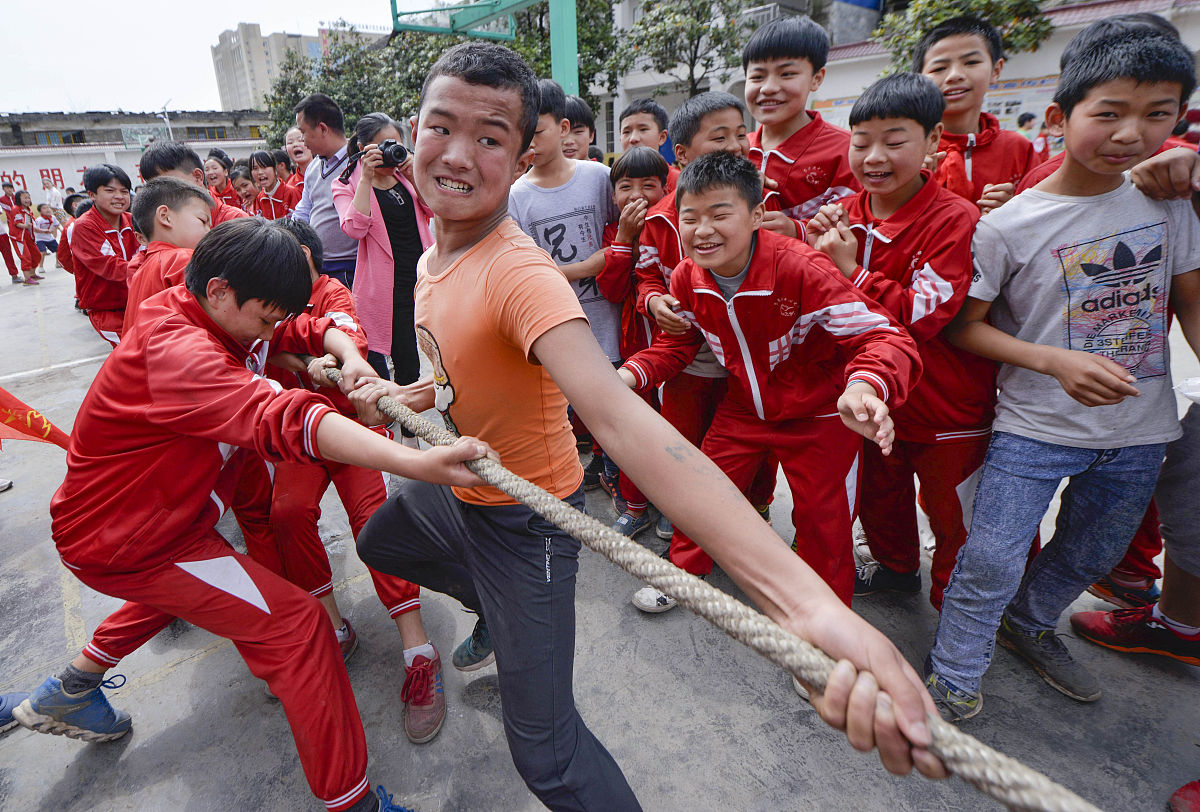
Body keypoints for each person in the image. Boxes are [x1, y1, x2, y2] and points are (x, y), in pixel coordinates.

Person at [352, 44, 946, 810]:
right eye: (442, 127)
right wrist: (408, 395)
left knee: (548, 758)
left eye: (492, 137)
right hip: (461, 490)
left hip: (525, 522)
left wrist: (807, 608)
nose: (460, 155)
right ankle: (501, 617)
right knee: (381, 540)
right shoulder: (438, 254)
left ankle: (511, 616)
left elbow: (628, 426)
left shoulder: (517, 272)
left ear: (525, 150)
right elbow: (455, 370)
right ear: (413, 131)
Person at [13, 218, 488, 812]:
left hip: (165, 523)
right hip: (130, 540)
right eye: (265, 318)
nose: (272, 330)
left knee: (195, 589)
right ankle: (354, 802)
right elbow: (281, 416)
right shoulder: (174, 348)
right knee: (300, 628)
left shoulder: (226, 315)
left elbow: (305, 325)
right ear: (217, 290)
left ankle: (71, 689)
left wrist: (348, 356)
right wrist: (420, 463)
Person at [923, 29, 1200, 721]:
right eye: (1108, 112)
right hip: (1035, 424)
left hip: (1140, 426)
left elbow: (1191, 301)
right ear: (1059, 117)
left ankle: (1032, 618)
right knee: (989, 557)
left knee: (1096, 552)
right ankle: (954, 670)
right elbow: (965, 324)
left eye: (1157, 113)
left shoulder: (1171, 203)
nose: (1131, 134)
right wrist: (1054, 360)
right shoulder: (1010, 226)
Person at [622, 150, 921, 610]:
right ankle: (682, 576)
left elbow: (882, 335)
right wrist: (627, 377)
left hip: (820, 413)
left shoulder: (801, 267)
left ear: (757, 214)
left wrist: (865, 385)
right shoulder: (686, 277)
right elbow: (677, 344)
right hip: (744, 407)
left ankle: (823, 628)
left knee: (825, 523)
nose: (703, 230)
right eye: (690, 217)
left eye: (720, 214)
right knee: (703, 490)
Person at [804, 73, 993, 612]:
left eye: (894, 140)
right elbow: (825, 302)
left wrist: (849, 270)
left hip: (947, 407)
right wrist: (817, 248)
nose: (874, 156)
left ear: (933, 140)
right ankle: (895, 570)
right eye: (861, 142)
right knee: (880, 498)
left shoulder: (955, 218)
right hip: (875, 396)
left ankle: (961, 626)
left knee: (956, 517)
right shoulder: (848, 214)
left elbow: (926, 314)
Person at [266, 217, 447, 745]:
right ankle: (334, 626)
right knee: (286, 514)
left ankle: (418, 649)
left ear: (303, 256)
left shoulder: (330, 292)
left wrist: (328, 359)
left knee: (375, 526)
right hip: (298, 434)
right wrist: (284, 357)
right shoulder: (261, 302)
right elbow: (260, 348)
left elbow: (348, 335)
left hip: (350, 430)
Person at [632, 91, 777, 597]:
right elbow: (646, 278)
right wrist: (653, 304)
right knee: (688, 448)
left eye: (742, 135)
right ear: (683, 154)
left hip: (753, 366)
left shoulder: (761, 203)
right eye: (721, 138)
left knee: (754, 454)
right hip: (688, 361)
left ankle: (752, 516)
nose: (738, 146)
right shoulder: (658, 220)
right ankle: (690, 530)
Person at [507, 79, 621, 493]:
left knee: (615, 407)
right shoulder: (517, 197)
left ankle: (623, 485)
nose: (529, 144)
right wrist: (582, 268)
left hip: (607, 319)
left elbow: (623, 241)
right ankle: (586, 476)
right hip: (560, 330)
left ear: (564, 127)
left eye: (536, 132)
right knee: (570, 409)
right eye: (521, 135)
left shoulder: (598, 178)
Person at [589, 146, 671, 535]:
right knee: (634, 427)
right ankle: (635, 505)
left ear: (667, 187)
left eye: (649, 185)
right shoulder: (612, 233)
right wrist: (624, 237)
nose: (637, 195)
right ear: (613, 194)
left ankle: (673, 505)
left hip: (675, 347)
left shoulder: (677, 226)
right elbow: (612, 288)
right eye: (626, 186)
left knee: (674, 427)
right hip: (633, 347)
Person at [332, 112, 433, 386]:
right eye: (385, 146)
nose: (392, 153)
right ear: (365, 150)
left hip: (425, 278)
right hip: (389, 289)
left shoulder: (403, 176)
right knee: (406, 362)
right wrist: (365, 178)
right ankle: (408, 425)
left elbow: (431, 208)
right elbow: (354, 228)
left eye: (396, 145)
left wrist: (414, 175)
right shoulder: (346, 184)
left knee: (442, 350)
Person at [743, 16, 859, 235]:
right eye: (757, 76)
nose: (768, 88)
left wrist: (799, 231)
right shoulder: (737, 150)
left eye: (786, 74)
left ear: (816, 78)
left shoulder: (846, 150)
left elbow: (856, 220)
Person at [914, 15, 1040, 213]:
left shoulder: (1018, 149)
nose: (955, 75)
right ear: (919, 78)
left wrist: (1013, 210)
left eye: (971, 62)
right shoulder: (907, 148)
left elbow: (1038, 216)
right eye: (939, 68)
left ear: (996, 70)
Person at [122, 177, 212, 332]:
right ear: (165, 216)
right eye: (203, 221)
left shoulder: (142, 270)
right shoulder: (182, 259)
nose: (209, 232)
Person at [294, 93, 361, 288]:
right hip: (319, 268)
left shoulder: (357, 162)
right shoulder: (313, 168)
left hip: (350, 267)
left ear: (322, 128)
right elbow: (304, 211)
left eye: (303, 132)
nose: (302, 141)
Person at [71, 165, 137, 346]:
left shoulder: (132, 221)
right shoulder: (85, 226)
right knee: (131, 353)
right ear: (91, 194)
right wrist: (151, 270)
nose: (119, 196)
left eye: (124, 191)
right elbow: (111, 267)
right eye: (110, 190)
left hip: (136, 302)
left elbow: (149, 252)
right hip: (107, 309)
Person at [619, 97, 680, 189]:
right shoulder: (612, 181)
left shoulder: (679, 182)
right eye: (626, 132)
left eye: (643, 129)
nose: (633, 138)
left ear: (662, 137)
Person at [249, 149, 301, 220]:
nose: (260, 172)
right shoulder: (259, 199)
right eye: (255, 168)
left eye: (264, 167)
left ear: (275, 169)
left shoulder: (292, 193)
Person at [9, 191, 42, 284]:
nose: (27, 200)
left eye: (28, 197)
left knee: (36, 254)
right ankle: (27, 279)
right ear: (19, 199)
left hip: (27, 234)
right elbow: (17, 223)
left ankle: (32, 274)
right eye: (25, 198)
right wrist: (26, 225)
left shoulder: (28, 209)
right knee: (25, 256)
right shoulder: (15, 209)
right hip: (18, 236)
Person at [561, 94, 595, 160]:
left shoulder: (605, 170)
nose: (569, 141)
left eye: (578, 131)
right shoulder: (538, 170)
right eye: (562, 132)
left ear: (591, 135)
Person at [285, 126, 314, 192]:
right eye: (290, 143)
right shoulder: (290, 187)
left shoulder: (327, 172)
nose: (295, 144)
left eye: (301, 140)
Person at [32, 203, 60, 269]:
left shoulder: (53, 217)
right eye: (44, 208)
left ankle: (58, 263)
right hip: (40, 239)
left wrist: (60, 230)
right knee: (42, 252)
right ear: (40, 211)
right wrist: (46, 231)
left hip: (49, 238)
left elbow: (56, 225)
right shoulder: (39, 220)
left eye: (48, 208)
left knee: (58, 250)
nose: (47, 209)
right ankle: (41, 266)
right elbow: (35, 230)